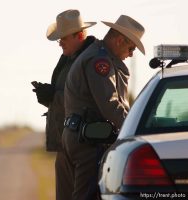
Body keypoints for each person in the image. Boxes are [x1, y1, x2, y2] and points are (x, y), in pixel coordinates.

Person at [62, 15, 145, 200]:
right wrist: (137, 129)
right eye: (131, 48)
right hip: (89, 142)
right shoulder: (100, 61)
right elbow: (111, 105)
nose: (131, 54)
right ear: (119, 40)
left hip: (83, 137)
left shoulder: (97, 54)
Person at [32, 9, 96, 200]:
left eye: (64, 38)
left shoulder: (90, 61)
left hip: (81, 144)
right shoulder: (72, 59)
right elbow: (69, 98)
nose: (60, 42)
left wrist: (54, 95)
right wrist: (48, 97)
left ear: (80, 35)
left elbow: (86, 102)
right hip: (67, 142)